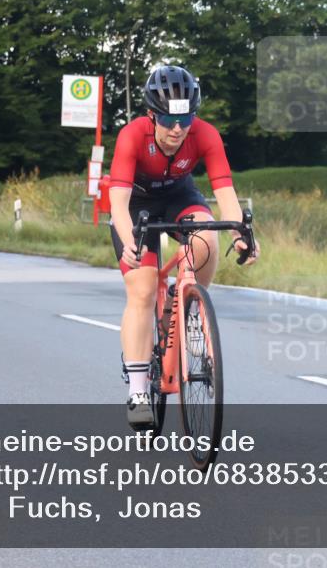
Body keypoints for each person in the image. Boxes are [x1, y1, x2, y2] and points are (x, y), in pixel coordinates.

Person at [108, 65, 259, 428]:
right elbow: (118, 204)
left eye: (185, 119)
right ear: (152, 115)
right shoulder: (132, 135)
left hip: (179, 196)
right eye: (168, 120)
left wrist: (239, 232)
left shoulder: (205, 134)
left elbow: (225, 191)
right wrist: (129, 242)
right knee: (143, 289)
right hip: (136, 206)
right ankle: (139, 390)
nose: (177, 129)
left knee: (207, 237)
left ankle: (189, 305)